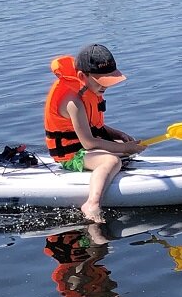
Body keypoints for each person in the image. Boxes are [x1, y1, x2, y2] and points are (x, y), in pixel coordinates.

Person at [43, 43, 145, 223]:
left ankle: (113, 162)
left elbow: (94, 125)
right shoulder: (72, 102)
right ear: (83, 76)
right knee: (112, 159)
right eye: (102, 82)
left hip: (84, 148)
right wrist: (122, 149)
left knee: (122, 149)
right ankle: (92, 203)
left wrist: (119, 135)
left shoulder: (88, 90)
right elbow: (88, 143)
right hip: (71, 156)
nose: (107, 87)